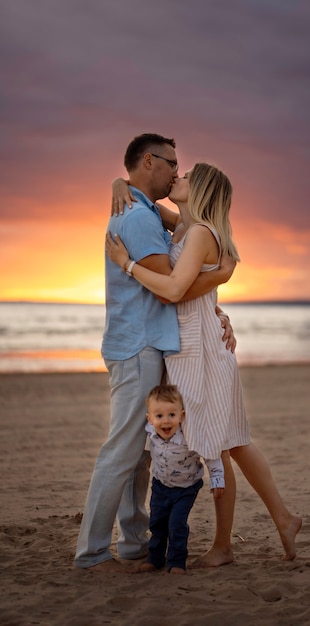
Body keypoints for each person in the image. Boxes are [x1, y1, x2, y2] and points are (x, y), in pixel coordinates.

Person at [106, 162, 302, 563]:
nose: (178, 177)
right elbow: (141, 196)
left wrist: (126, 264)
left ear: (202, 190)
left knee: (222, 442)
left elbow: (175, 290)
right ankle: (269, 524)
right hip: (195, 344)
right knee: (229, 442)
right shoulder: (186, 225)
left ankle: (232, 542)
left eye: (188, 175)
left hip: (199, 350)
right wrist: (117, 183)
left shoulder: (197, 233)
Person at [74, 134, 236, 571]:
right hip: (138, 345)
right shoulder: (141, 219)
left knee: (140, 452)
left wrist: (213, 304)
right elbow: (172, 290)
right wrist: (219, 276)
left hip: (147, 344)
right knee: (123, 451)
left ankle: (131, 545)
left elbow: (180, 277)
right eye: (171, 163)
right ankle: (91, 554)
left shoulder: (146, 211)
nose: (176, 171)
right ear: (149, 161)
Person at [138, 384, 224, 575]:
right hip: (160, 486)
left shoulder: (189, 436)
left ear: (182, 416)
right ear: (150, 419)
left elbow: (211, 455)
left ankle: (177, 562)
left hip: (186, 488)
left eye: (172, 415)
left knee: (176, 524)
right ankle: (155, 558)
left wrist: (217, 479)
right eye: (159, 416)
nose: (166, 421)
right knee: (157, 523)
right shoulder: (150, 433)